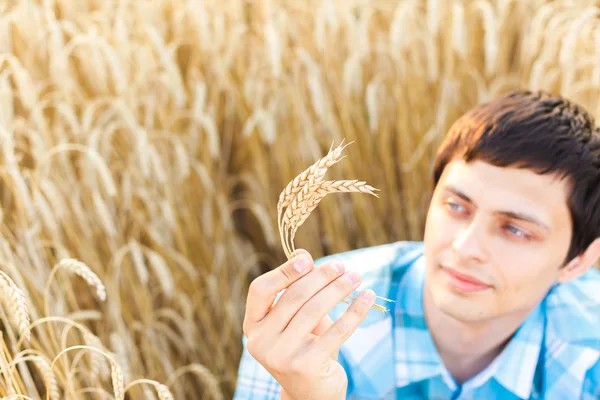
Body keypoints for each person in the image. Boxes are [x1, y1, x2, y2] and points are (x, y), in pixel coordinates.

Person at [232, 90, 600, 399]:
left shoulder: (590, 354)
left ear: (578, 261)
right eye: (456, 206)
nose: (465, 246)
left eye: (516, 230)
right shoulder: (307, 323)